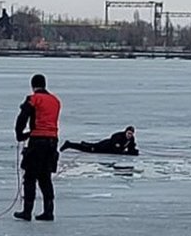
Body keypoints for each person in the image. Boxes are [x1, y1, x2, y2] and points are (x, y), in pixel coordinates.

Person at [13, 74, 61, 222]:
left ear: (33, 86)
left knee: (30, 176)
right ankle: (48, 211)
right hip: (52, 140)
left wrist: (19, 134)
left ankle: (27, 211)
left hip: (38, 140)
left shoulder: (33, 99)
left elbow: (23, 117)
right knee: (45, 177)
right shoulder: (55, 100)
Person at [60, 126, 139, 156]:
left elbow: (131, 147)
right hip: (103, 146)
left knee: (90, 146)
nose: (129, 135)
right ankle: (69, 144)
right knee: (88, 149)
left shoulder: (131, 139)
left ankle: (85, 143)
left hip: (107, 149)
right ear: (126, 132)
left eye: (131, 134)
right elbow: (115, 147)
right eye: (128, 133)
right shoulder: (118, 136)